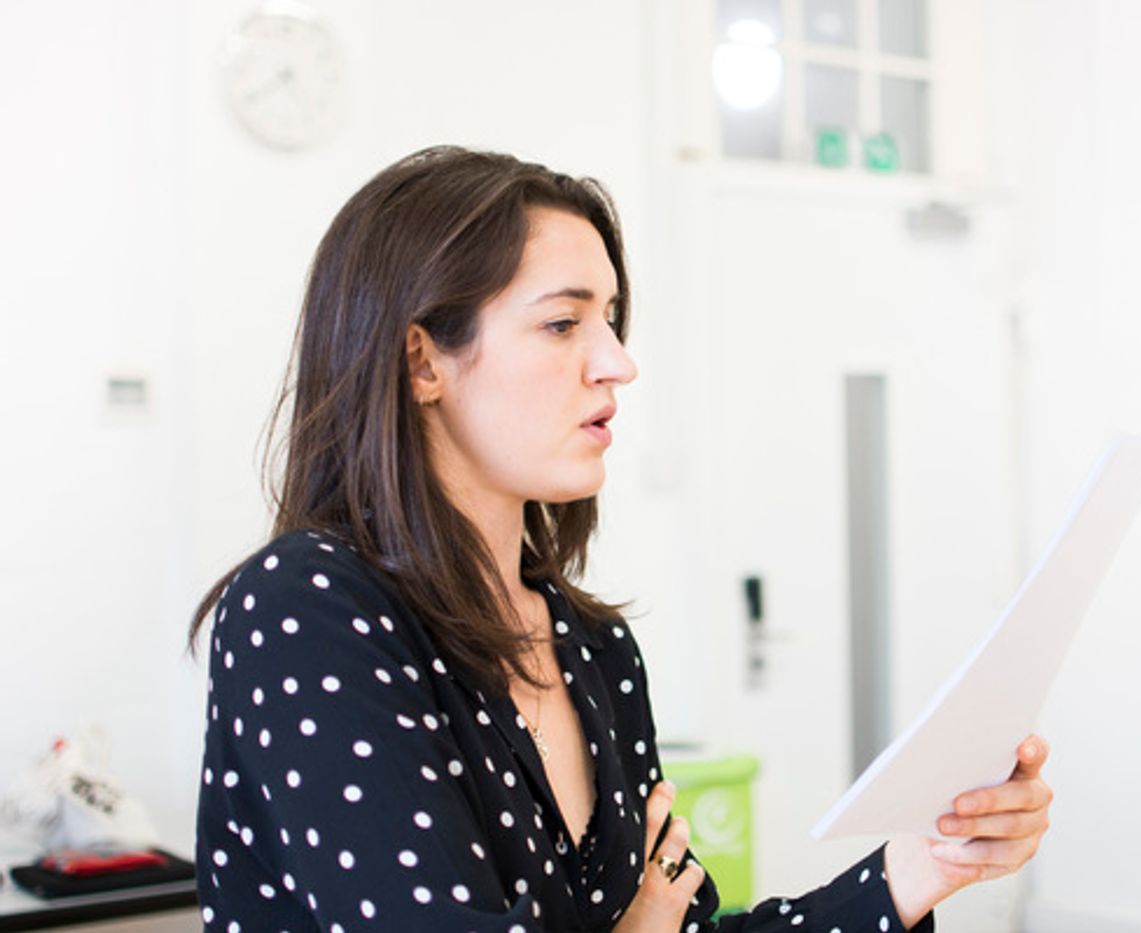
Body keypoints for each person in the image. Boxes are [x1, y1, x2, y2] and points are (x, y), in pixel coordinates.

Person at [189, 146, 1053, 932]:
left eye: (609, 319)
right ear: (423, 362)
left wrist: (923, 864)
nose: (617, 362)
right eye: (563, 324)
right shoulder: (306, 608)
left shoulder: (593, 647)